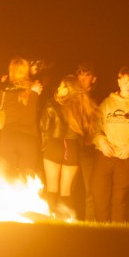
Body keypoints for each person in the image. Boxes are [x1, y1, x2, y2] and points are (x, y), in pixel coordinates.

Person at [91, 67, 129, 223]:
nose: (128, 86)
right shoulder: (106, 103)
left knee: (120, 198)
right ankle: (101, 229)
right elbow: (95, 128)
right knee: (99, 194)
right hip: (105, 155)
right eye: (125, 82)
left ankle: (117, 230)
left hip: (126, 157)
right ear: (118, 82)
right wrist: (102, 142)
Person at [39, 74, 98, 220]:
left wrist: (43, 147)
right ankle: (68, 221)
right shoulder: (82, 107)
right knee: (66, 192)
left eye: (61, 86)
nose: (58, 88)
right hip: (71, 148)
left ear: (68, 89)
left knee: (52, 189)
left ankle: (50, 222)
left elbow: (43, 127)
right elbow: (87, 134)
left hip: (54, 145)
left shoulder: (51, 104)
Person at [0, 57, 43, 182]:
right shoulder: (34, 91)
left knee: (7, 177)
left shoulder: (3, 92)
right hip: (28, 138)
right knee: (27, 179)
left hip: (8, 137)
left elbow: (1, 105)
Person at [75, 62, 99, 220]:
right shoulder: (70, 97)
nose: (83, 79)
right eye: (80, 76)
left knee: (90, 188)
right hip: (70, 147)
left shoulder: (97, 99)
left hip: (88, 150)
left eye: (87, 76)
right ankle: (68, 219)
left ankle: (90, 222)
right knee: (69, 188)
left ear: (94, 79)